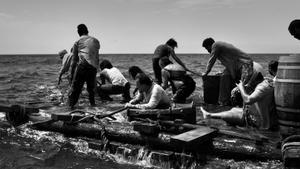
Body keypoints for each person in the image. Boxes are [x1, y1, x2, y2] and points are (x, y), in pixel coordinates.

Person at [201, 60, 279, 130]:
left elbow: (248, 100)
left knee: (231, 114)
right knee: (234, 110)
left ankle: (209, 115)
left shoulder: (262, 87)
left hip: (260, 123)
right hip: (262, 116)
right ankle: (211, 115)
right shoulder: (264, 82)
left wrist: (241, 87)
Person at [202, 37, 255, 106]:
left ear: (210, 45)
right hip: (238, 64)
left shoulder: (215, 45)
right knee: (225, 75)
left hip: (245, 64)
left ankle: (229, 102)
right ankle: (224, 102)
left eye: (207, 48)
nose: (208, 51)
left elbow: (212, 60)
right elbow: (230, 63)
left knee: (243, 85)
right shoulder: (221, 47)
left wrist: (206, 72)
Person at [68, 24, 100, 109]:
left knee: (76, 89)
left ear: (78, 32)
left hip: (83, 66)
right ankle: (93, 108)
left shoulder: (77, 41)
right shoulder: (96, 41)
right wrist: (96, 70)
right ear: (87, 31)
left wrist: (71, 74)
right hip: (93, 67)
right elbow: (96, 57)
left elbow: (74, 60)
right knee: (91, 90)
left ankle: (70, 108)